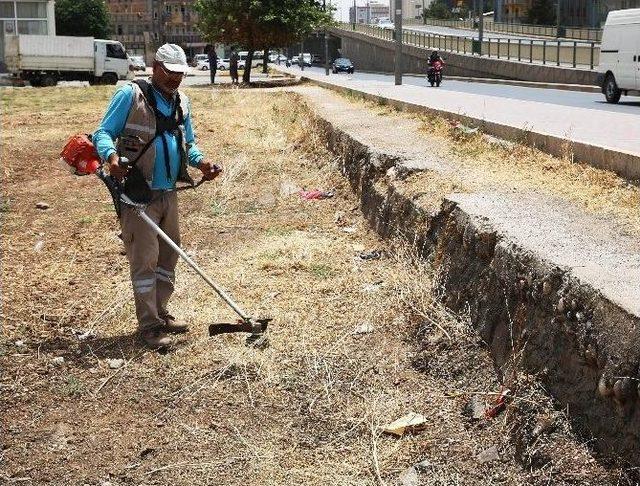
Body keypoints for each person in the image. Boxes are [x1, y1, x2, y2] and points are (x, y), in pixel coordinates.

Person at [93, 44, 222, 348]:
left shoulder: (182, 103)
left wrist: (202, 163)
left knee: (169, 256)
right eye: (170, 73)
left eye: (180, 74)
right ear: (155, 67)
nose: (176, 79)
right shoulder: (130, 95)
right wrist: (111, 158)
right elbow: (102, 133)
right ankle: (149, 325)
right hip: (138, 195)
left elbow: (189, 145)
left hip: (168, 192)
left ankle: (161, 312)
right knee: (145, 261)